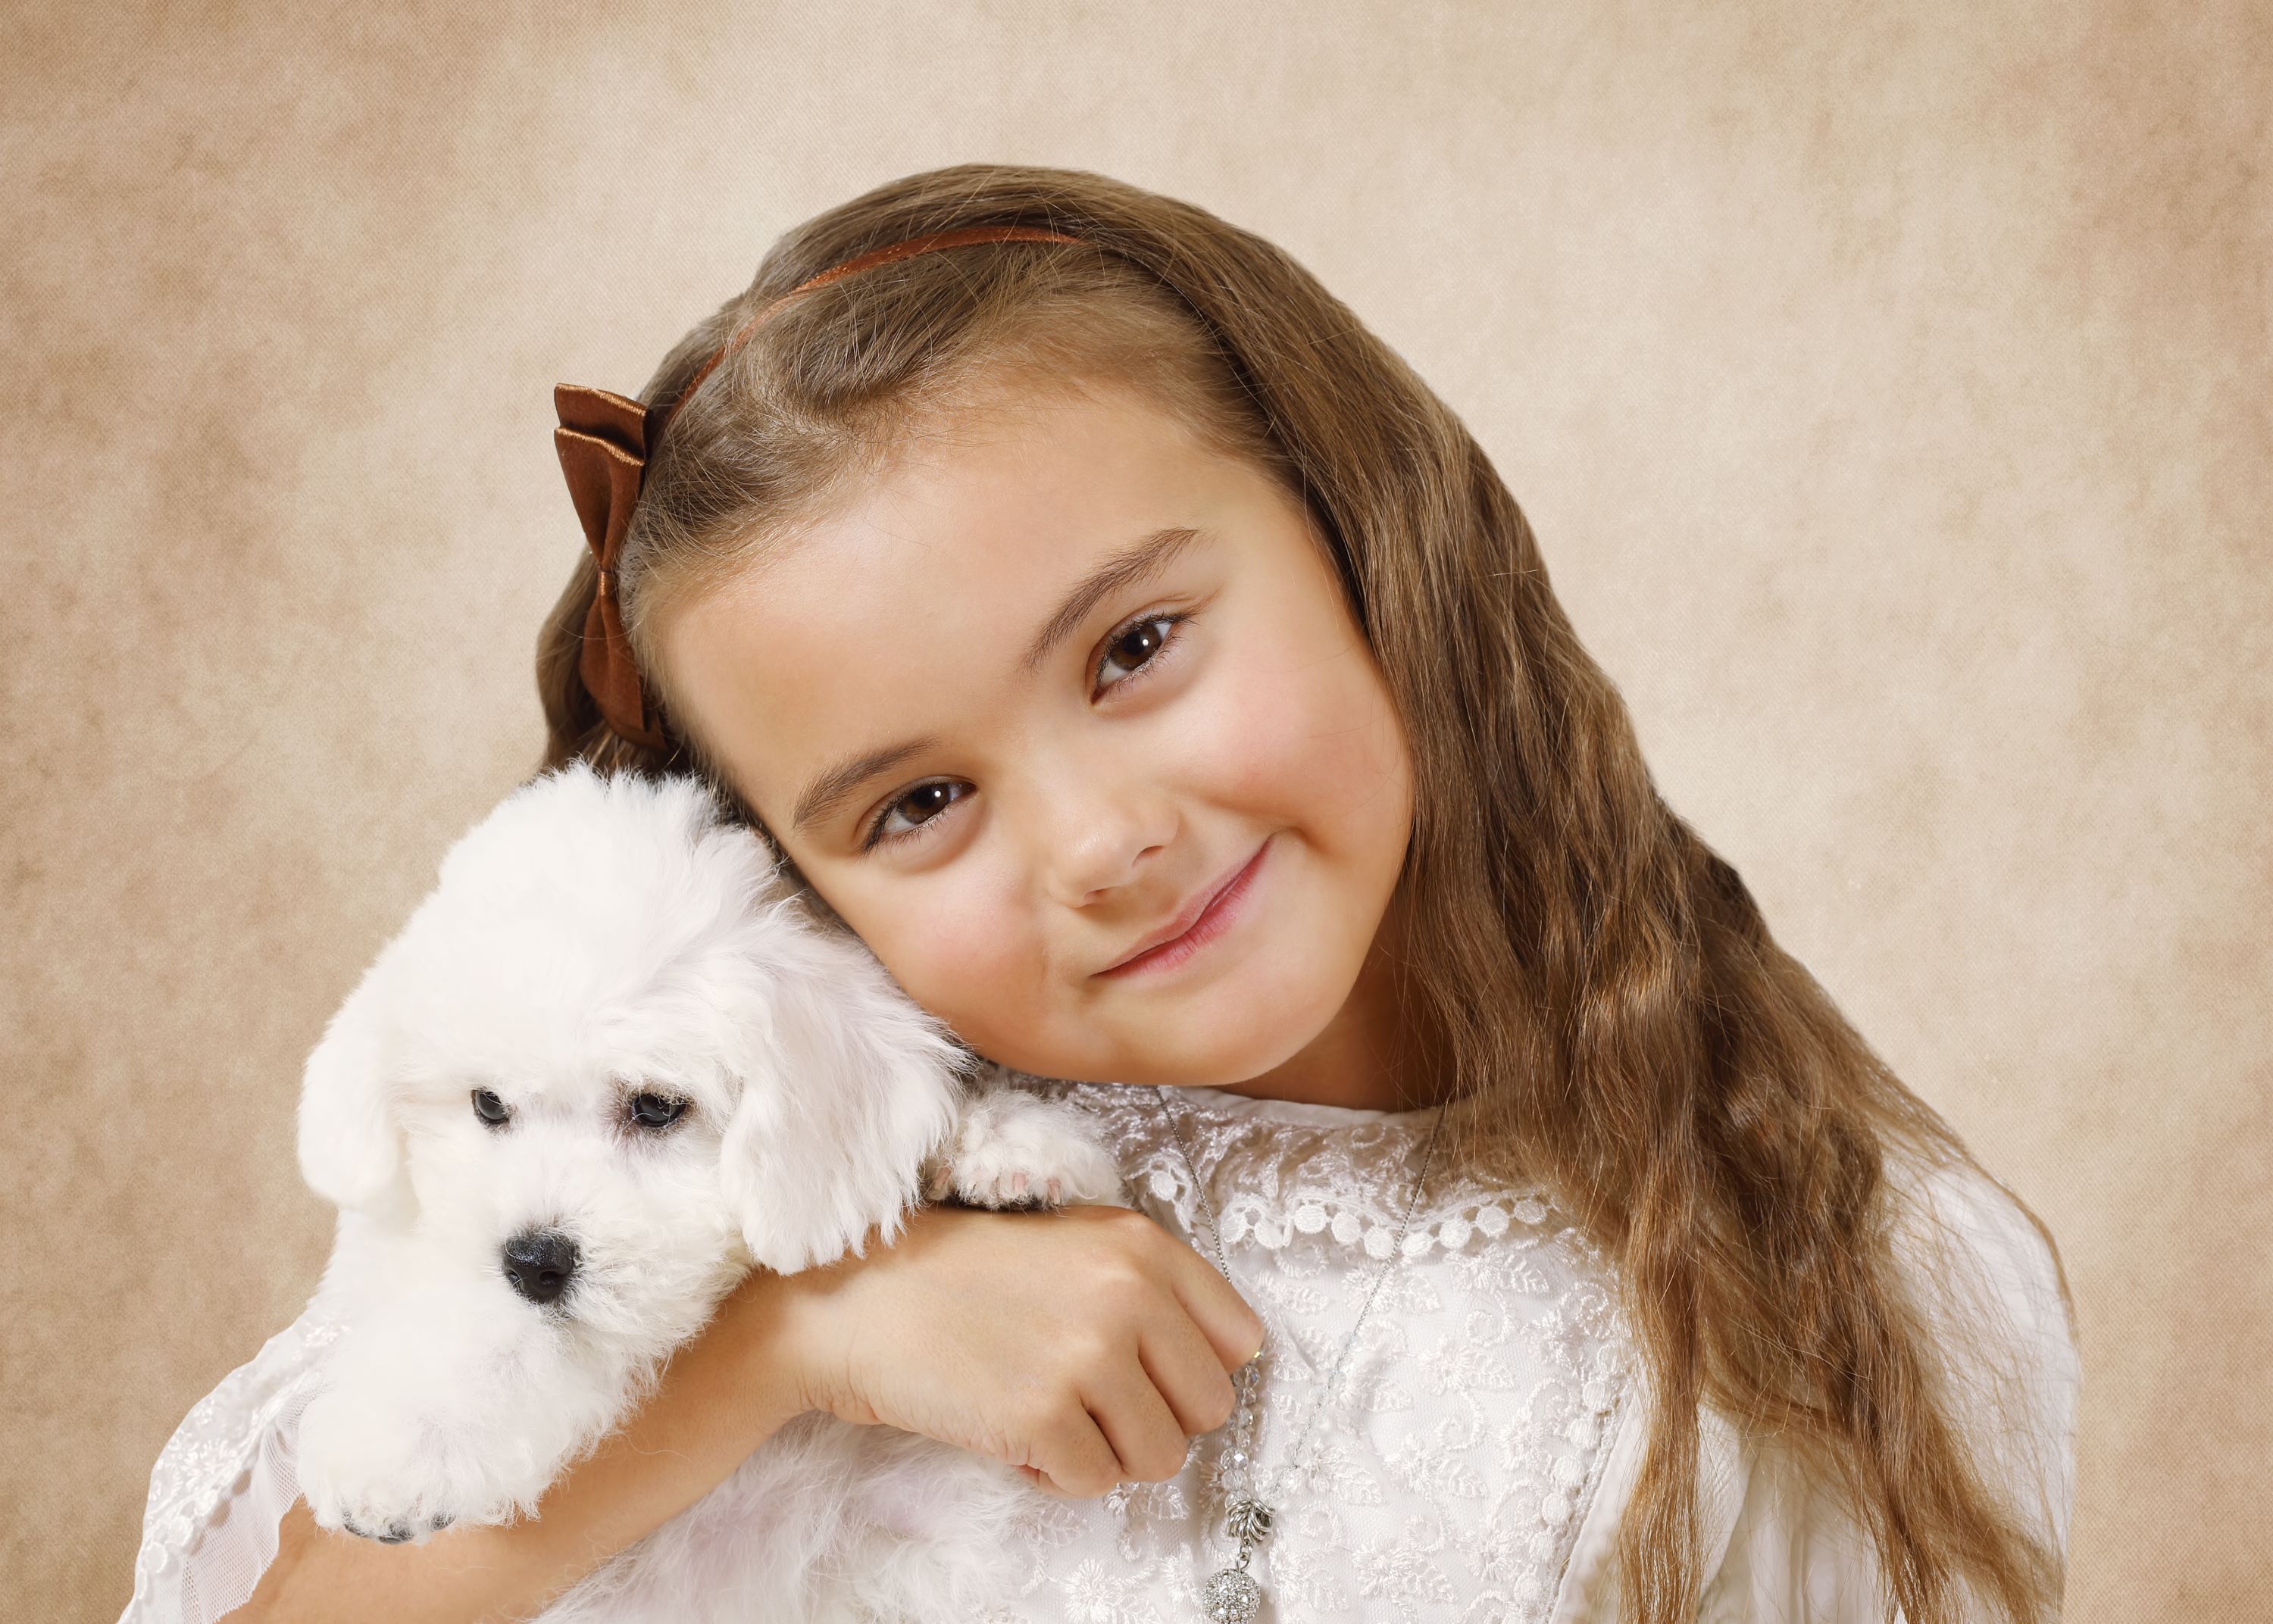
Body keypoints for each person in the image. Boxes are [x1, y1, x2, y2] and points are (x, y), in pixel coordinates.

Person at [120, 164, 2078, 1624]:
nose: (1096, 844)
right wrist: (803, 1341)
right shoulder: (715, 1188)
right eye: (920, 804)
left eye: (1135, 648)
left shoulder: (1832, 1275)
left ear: (1362, 531)